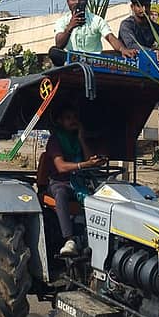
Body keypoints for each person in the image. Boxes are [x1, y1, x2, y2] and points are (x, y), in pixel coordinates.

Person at [44, 105, 106, 256]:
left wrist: (81, 139)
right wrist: (85, 164)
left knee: (101, 194)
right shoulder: (55, 140)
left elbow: (89, 160)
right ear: (60, 121)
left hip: (79, 182)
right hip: (59, 182)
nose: (73, 121)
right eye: (68, 118)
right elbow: (61, 167)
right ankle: (69, 240)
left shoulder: (77, 139)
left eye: (75, 118)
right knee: (61, 193)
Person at [53, 0, 137, 58]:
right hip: (70, 63)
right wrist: (70, 27)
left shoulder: (96, 20)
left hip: (92, 63)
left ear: (86, 1)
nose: (77, 2)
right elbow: (59, 45)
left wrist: (122, 49)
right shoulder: (62, 21)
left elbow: (110, 37)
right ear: (68, 2)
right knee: (53, 52)